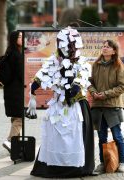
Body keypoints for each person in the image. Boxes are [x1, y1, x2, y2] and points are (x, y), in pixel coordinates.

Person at [27, 27, 95, 178]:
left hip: (76, 106)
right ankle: (54, 167)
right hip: (58, 105)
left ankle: (78, 167)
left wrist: (75, 87)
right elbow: (42, 76)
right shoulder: (53, 61)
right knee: (55, 136)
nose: (67, 47)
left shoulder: (83, 62)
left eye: (70, 44)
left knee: (74, 135)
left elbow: (81, 79)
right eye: (64, 43)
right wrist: (33, 88)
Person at [88, 39, 124, 173]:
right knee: (102, 137)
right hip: (98, 106)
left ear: (114, 50)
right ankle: (103, 163)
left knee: (117, 135)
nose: (104, 48)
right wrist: (93, 93)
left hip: (112, 106)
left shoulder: (118, 65)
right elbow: (90, 82)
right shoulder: (95, 65)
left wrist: (104, 94)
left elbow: (122, 87)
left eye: (108, 47)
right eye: (103, 46)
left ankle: (122, 162)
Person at [2, 31, 24, 153]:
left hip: (10, 91)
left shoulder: (9, 53)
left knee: (15, 117)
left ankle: (16, 146)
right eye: (20, 37)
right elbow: (21, 74)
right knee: (20, 117)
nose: (22, 38)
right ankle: (10, 141)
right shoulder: (17, 55)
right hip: (17, 92)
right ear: (14, 39)